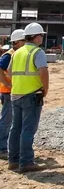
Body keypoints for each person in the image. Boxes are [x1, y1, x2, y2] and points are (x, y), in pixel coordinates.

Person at [7, 23, 49, 172]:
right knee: (28, 129)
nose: (42, 38)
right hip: (31, 95)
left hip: (15, 95)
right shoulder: (37, 52)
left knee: (15, 129)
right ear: (37, 37)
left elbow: (10, 73)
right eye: (41, 35)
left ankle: (13, 161)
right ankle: (26, 162)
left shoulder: (16, 52)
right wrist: (45, 89)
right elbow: (43, 72)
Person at [0, 29, 26, 160]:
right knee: (6, 121)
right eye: (24, 41)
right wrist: (7, 83)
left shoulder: (16, 54)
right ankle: (1, 148)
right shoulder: (9, 55)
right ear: (17, 42)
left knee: (12, 121)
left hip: (14, 92)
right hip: (7, 92)